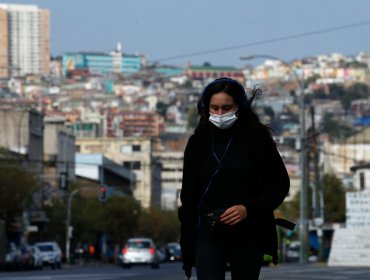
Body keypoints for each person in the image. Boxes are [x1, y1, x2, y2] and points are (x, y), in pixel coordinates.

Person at [178, 77, 290, 280]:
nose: (220, 114)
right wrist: (187, 243)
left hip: (248, 232)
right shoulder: (198, 141)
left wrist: (248, 209)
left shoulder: (257, 138)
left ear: (239, 107)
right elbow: (189, 196)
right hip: (208, 231)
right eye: (215, 108)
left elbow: (279, 185)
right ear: (206, 108)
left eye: (226, 108)